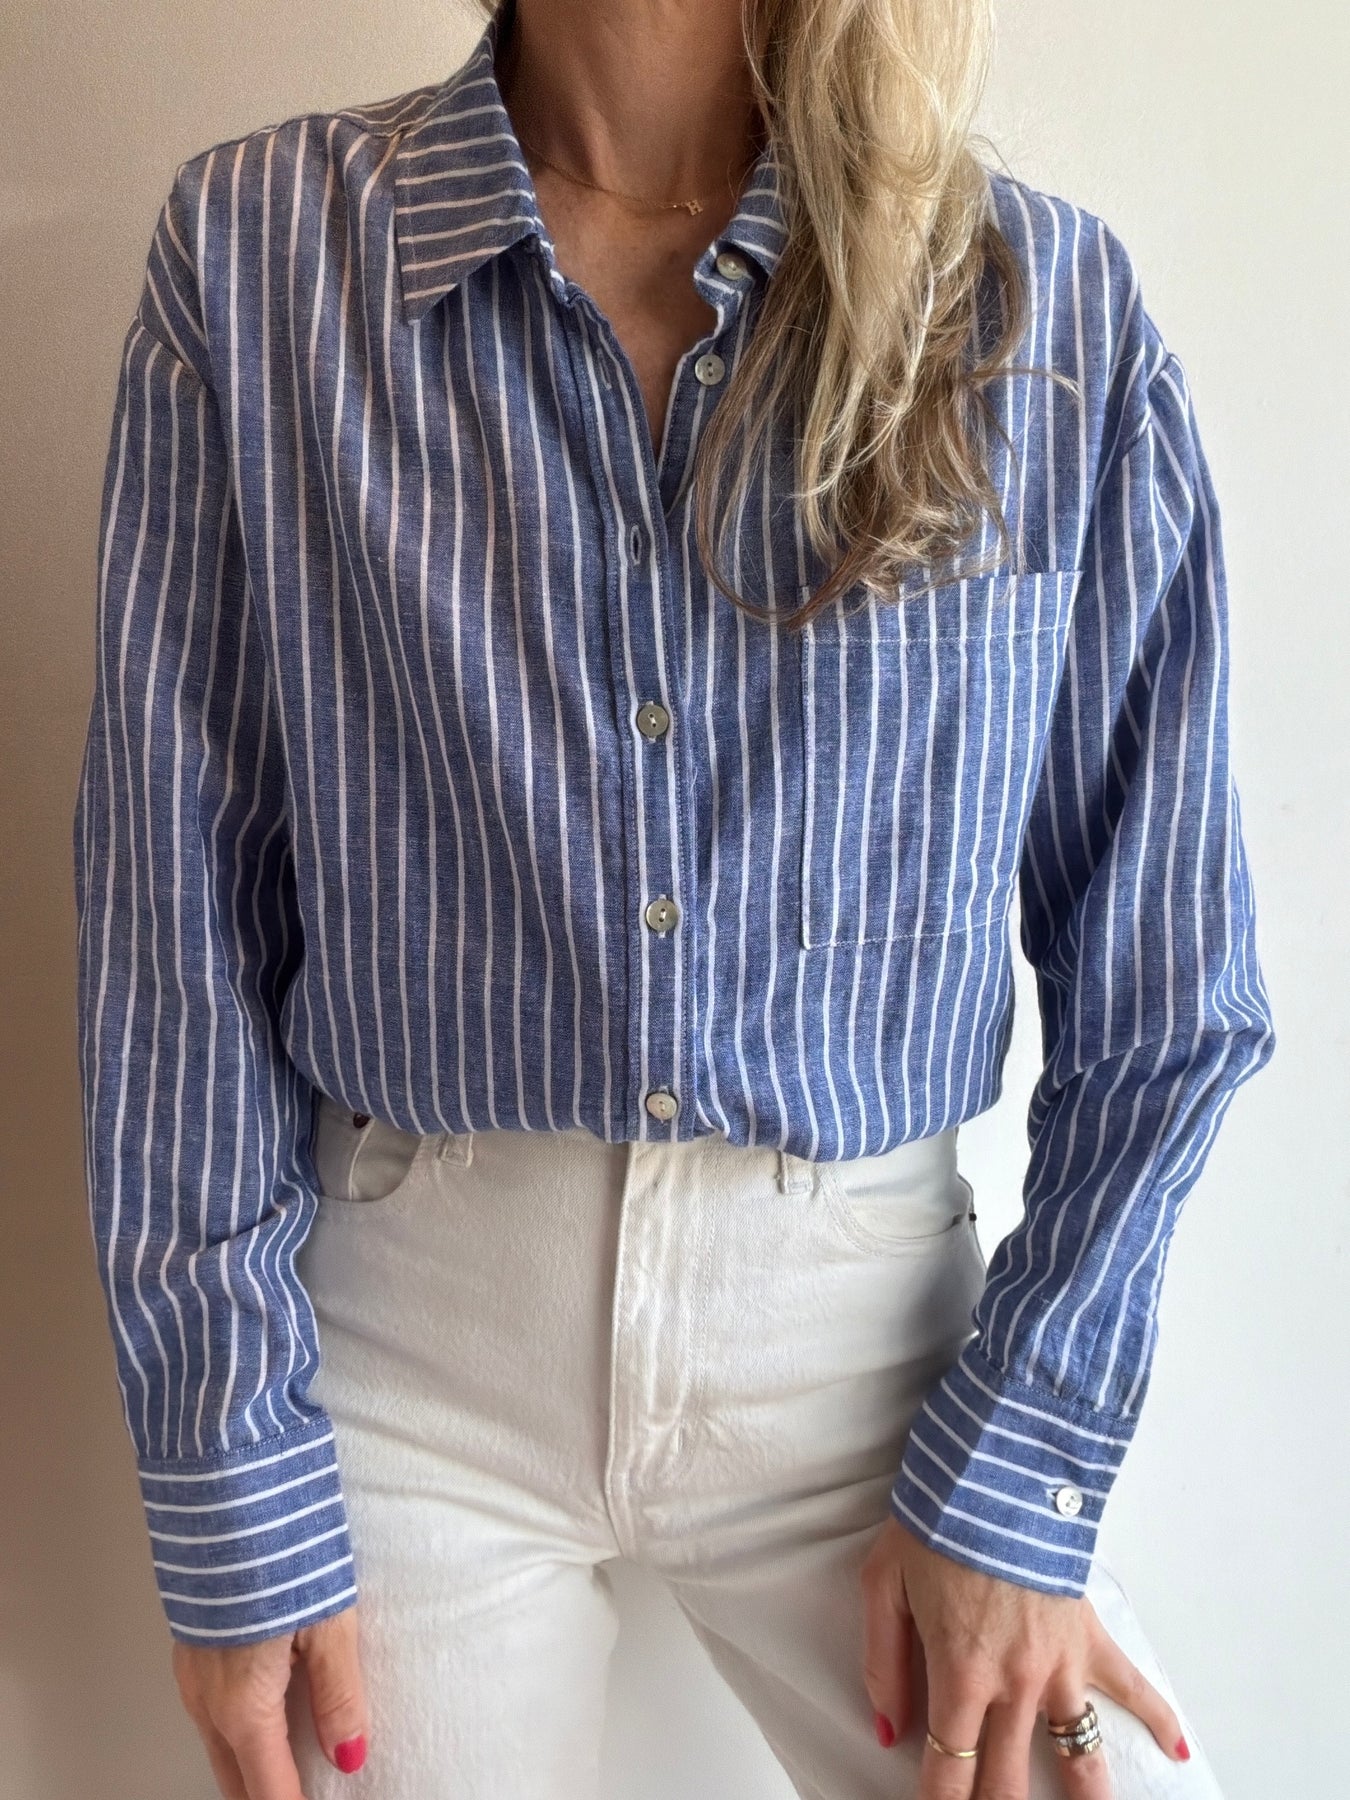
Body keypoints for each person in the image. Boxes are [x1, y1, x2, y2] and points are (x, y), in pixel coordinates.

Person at [70, 0, 1276, 1794]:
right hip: (395, 1357)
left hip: (870, 1356)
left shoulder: (1032, 310)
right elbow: (172, 909)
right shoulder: (263, 255)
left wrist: (1025, 1467)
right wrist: (225, 1468)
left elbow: (1166, 988)